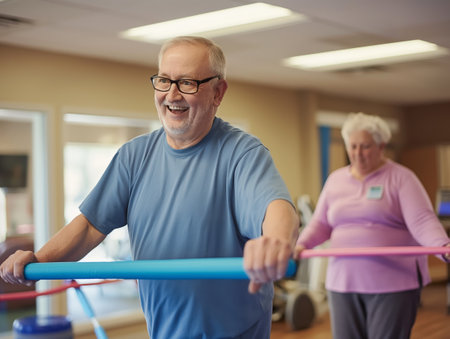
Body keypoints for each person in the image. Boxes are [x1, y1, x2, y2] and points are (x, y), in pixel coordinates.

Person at [0, 36, 299, 339]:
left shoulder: (241, 153)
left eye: (187, 83)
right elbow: (90, 226)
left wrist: (275, 241)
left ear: (218, 92)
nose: (172, 94)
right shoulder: (134, 156)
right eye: (164, 80)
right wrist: (39, 260)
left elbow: (274, 208)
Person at [295, 112, 450, 339]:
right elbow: (320, 223)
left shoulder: (401, 178)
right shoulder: (335, 180)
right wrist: (300, 244)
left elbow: (422, 220)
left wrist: (443, 245)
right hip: (343, 280)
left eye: (365, 146)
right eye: (353, 146)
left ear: (381, 146)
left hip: (393, 281)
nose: (358, 153)